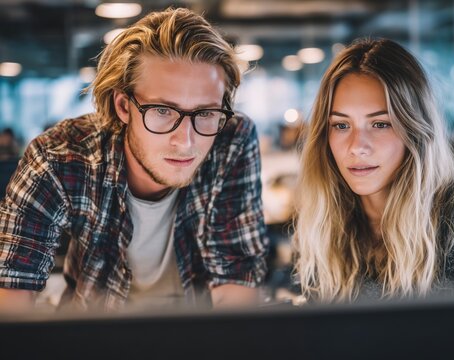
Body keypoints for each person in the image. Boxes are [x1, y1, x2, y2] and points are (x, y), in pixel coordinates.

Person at [0, 8, 268, 312]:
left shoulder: (231, 139)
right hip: (91, 337)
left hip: (200, 339)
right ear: (124, 106)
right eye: (163, 111)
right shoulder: (60, 157)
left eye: (205, 113)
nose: (186, 141)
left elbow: (237, 281)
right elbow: (12, 299)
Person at [293, 38, 454, 303]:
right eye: (341, 125)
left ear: (415, 130)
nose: (357, 147)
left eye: (381, 124)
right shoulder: (326, 222)